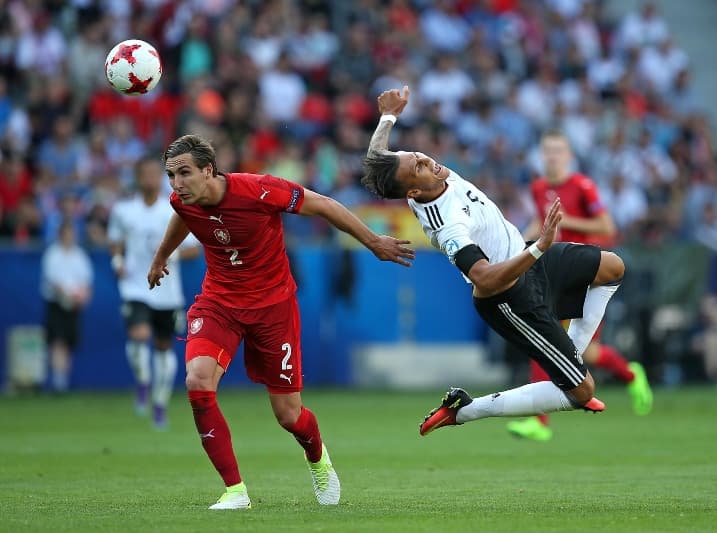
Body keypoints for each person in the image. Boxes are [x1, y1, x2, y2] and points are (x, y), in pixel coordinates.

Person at [147, 134, 414, 510]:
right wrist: (161, 258)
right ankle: (235, 490)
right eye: (171, 175)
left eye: (184, 173)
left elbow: (323, 204)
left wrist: (373, 242)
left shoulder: (259, 190)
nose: (176, 184)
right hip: (219, 303)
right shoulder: (183, 199)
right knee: (197, 379)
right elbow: (182, 218)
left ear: (208, 170)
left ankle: (318, 458)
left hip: (273, 309)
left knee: (288, 415)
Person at [361, 87, 624, 437]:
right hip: (510, 297)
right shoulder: (448, 224)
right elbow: (484, 279)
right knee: (583, 392)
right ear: (413, 192)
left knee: (612, 268)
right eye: (418, 166)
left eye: (417, 155)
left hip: (527, 258)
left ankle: (570, 361)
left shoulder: (423, 177)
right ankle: (463, 410)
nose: (426, 159)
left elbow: (378, 157)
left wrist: (388, 116)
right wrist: (539, 247)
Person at [506, 131, 653, 442]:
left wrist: (566, 221)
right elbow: (541, 223)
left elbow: (606, 227)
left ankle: (630, 373)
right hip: (555, 272)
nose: (552, 156)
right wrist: (515, 246)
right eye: (547, 150)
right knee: (546, 338)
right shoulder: (538, 187)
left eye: (558, 151)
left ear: (569, 156)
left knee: (586, 350)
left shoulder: (582, 186)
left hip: (585, 273)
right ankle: (538, 421)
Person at [108, 156, 201, 429]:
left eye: (154, 173)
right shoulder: (124, 211)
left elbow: (194, 248)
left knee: (163, 346)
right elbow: (115, 242)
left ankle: (159, 404)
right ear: (137, 177)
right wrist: (118, 261)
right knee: (138, 335)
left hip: (167, 291)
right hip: (135, 286)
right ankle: (143, 382)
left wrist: (171, 258)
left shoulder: (173, 209)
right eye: (144, 173)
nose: (149, 178)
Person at [40, 220, 93, 393]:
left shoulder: (79, 255)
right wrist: (69, 295)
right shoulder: (52, 254)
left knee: (69, 343)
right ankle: (58, 383)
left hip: (74, 306)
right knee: (57, 342)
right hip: (57, 304)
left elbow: (86, 282)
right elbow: (53, 281)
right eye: (67, 233)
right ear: (61, 235)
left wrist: (82, 297)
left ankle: (63, 382)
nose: (70, 237)